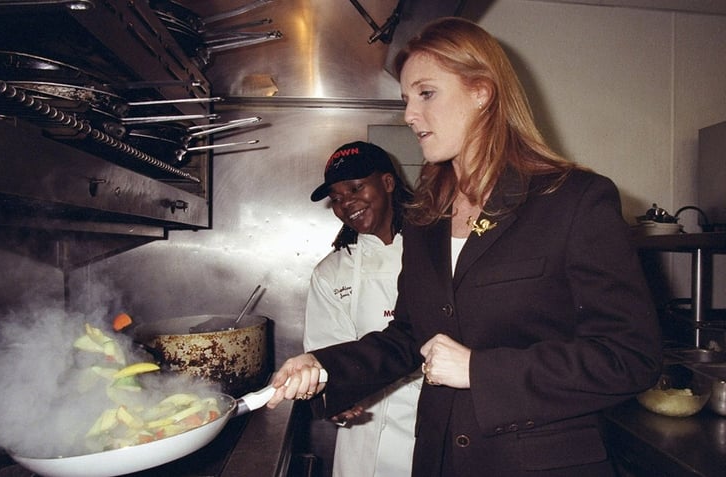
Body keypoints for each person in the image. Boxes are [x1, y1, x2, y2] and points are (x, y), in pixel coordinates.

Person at [269, 17, 662, 477]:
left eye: (426, 93)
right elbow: (409, 335)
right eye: (406, 100)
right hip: (440, 460)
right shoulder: (426, 218)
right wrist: (324, 364)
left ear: (482, 92)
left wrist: (480, 370)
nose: (410, 115)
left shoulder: (572, 199)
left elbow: (630, 357)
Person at [304, 141, 421, 477]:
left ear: (387, 183)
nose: (346, 203)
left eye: (356, 188)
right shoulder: (330, 272)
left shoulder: (433, 251)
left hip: (435, 419)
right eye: (337, 198)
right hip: (366, 434)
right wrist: (334, 398)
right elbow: (326, 352)